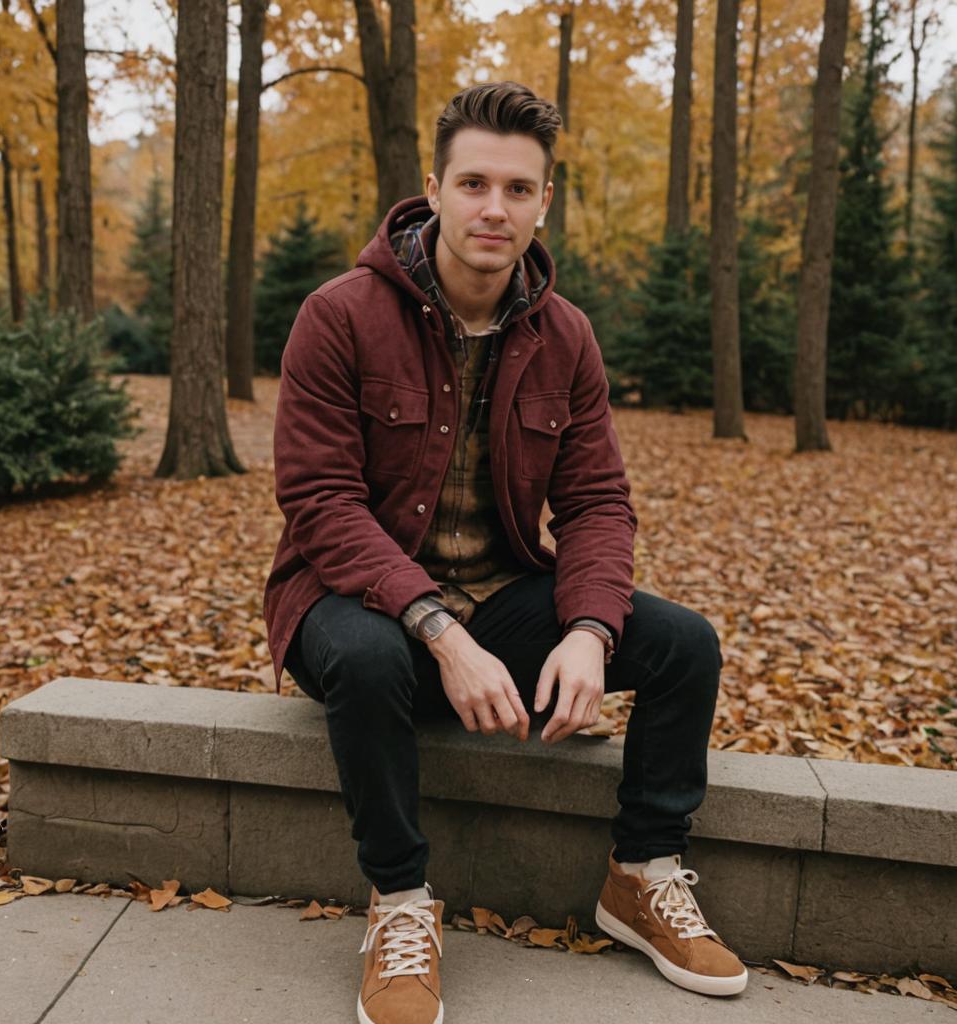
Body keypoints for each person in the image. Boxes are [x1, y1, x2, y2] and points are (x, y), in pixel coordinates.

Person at [263, 80, 748, 1024]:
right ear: (433, 188)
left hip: (504, 592)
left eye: (518, 189)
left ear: (544, 201)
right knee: (367, 661)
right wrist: (439, 631)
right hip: (354, 597)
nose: (495, 208)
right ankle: (401, 904)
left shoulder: (565, 337)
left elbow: (600, 502)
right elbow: (318, 502)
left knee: (684, 644)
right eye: (475, 183)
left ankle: (640, 876)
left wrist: (590, 630)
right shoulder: (341, 314)